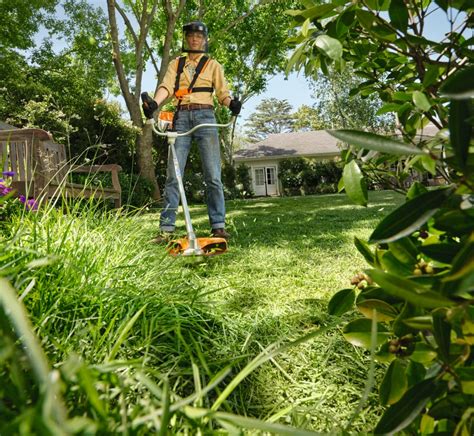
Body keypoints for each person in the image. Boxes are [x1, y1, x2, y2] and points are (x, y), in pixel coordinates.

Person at [143, 20, 241, 243]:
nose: (195, 39)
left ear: (204, 39)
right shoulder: (176, 64)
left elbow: (222, 94)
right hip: (181, 117)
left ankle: (218, 226)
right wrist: (154, 104)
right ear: (186, 38)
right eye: (191, 35)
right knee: (172, 175)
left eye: (199, 36)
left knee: (213, 175)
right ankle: (166, 230)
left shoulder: (213, 65)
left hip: (206, 117)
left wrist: (231, 104)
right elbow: (166, 88)